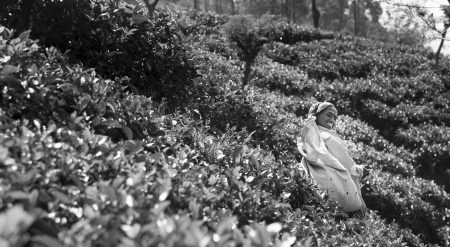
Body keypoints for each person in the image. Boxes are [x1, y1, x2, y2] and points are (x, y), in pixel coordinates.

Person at [297, 101, 367, 216]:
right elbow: (346, 163)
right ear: (317, 115)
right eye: (329, 115)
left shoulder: (309, 135)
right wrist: (361, 171)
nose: (332, 120)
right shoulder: (327, 136)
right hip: (334, 188)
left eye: (335, 117)